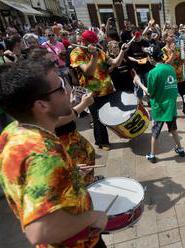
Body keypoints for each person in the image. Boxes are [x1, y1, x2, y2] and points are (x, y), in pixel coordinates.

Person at [0, 59, 108, 247]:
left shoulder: (13, 131)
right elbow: (40, 231)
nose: (67, 90)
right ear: (42, 105)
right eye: (60, 88)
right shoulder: (44, 154)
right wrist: (92, 217)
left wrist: (70, 172)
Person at [70, 30, 129, 151]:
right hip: (92, 93)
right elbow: (87, 72)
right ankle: (102, 142)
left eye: (95, 42)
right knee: (98, 118)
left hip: (107, 89)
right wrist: (94, 56)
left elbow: (115, 63)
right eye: (91, 43)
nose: (94, 45)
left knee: (109, 114)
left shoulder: (99, 50)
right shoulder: (76, 53)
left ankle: (110, 137)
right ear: (83, 41)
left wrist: (122, 51)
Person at [145, 44, 185, 163]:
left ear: (151, 58)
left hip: (159, 107)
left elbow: (150, 93)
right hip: (171, 106)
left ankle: (152, 155)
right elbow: (173, 88)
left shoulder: (153, 72)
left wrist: (139, 83)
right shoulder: (170, 69)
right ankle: (180, 149)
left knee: (155, 133)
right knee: (173, 129)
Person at [162, 30, 185, 115]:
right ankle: (171, 113)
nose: (173, 37)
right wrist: (173, 53)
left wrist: (184, 53)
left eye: (173, 36)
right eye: (171, 36)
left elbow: (183, 60)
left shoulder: (177, 48)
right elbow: (166, 63)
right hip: (170, 78)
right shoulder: (163, 50)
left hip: (180, 76)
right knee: (171, 97)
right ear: (166, 38)